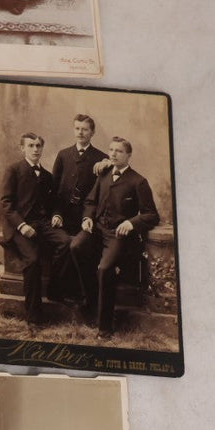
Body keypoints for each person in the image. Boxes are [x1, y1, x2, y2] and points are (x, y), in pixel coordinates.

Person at [68, 137, 158, 336]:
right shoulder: (104, 175)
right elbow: (90, 201)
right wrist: (87, 219)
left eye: (119, 151)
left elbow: (151, 214)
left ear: (128, 155)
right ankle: (91, 301)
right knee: (76, 246)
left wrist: (131, 222)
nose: (113, 154)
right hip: (97, 229)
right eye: (111, 150)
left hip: (118, 235)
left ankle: (104, 327)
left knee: (105, 268)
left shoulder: (138, 181)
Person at [0, 133, 73, 325]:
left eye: (38, 146)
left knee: (66, 242)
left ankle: (55, 289)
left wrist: (57, 215)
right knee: (32, 261)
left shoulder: (47, 176)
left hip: (43, 223)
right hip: (20, 225)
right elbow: (6, 203)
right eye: (31, 145)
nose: (35, 149)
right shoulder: (13, 170)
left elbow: (55, 203)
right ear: (22, 148)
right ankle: (34, 315)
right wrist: (22, 225)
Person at [51, 114, 110, 236]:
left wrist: (110, 163)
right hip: (63, 214)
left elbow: (105, 191)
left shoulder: (101, 158)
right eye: (77, 128)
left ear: (92, 132)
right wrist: (56, 213)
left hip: (88, 217)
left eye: (85, 129)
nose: (80, 133)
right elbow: (54, 188)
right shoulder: (63, 155)